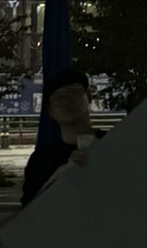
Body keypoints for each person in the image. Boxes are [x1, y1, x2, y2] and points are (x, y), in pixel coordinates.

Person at [21, 67, 99, 207]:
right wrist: (64, 174)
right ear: (50, 111)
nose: (67, 102)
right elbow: (30, 209)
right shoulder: (41, 161)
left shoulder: (112, 142)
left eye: (73, 93)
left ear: (89, 96)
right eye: (59, 98)